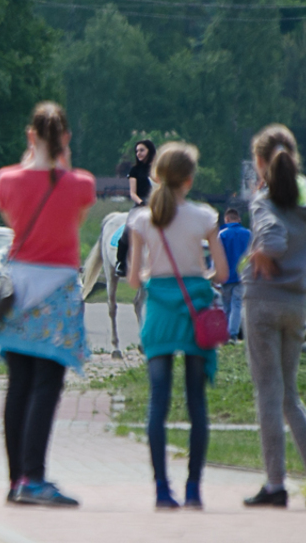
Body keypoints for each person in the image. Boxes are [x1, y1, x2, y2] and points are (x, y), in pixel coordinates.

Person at [0, 101, 95, 508]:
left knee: (18, 385)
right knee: (47, 383)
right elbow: (75, 219)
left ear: (30, 137)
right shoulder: (81, 184)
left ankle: (17, 479)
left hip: (18, 287)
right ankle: (35, 476)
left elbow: (12, 212)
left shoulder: (6, 179)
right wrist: (57, 160)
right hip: (57, 291)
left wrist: (31, 159)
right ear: (66, 139)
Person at [241, 124, 306, 509]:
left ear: (261, 163)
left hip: (263, 302)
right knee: (291, 396)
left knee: (268, 391)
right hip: (298, 302)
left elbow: (272, 238)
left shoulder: (264, 200)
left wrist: (261, 252)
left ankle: (275, 484)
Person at [127, 142, 228, 510]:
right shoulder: (204, 217)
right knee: (196, 403)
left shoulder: (141, 219)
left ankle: (160, 490)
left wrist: (153, 275)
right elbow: (224, 273)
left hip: (159, 313)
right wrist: (200, 276)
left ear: (155, 177)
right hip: (193, 309)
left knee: (158, 401)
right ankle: (193, 488)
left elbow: (135, 282)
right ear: (189, 179)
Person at [116, 139, 157, 277]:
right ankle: (121, 263)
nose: (138, 153)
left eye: (142, 150)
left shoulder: (157, 170)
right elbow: (132, 193)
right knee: (127, 232)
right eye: (137, 151)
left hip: (156, 205)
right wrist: (141, 202)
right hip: (140, 205)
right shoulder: (135, 170)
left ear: (149, 151)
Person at [218, 208, 251, 341]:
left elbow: (218, 256)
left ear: (226, 219)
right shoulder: (248, 234)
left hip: (226, 276)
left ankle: (226, 334)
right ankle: (233, 334)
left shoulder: (222, 234)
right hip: (243, 276)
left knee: (226, 306)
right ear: (239, 219)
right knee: (237, 304)